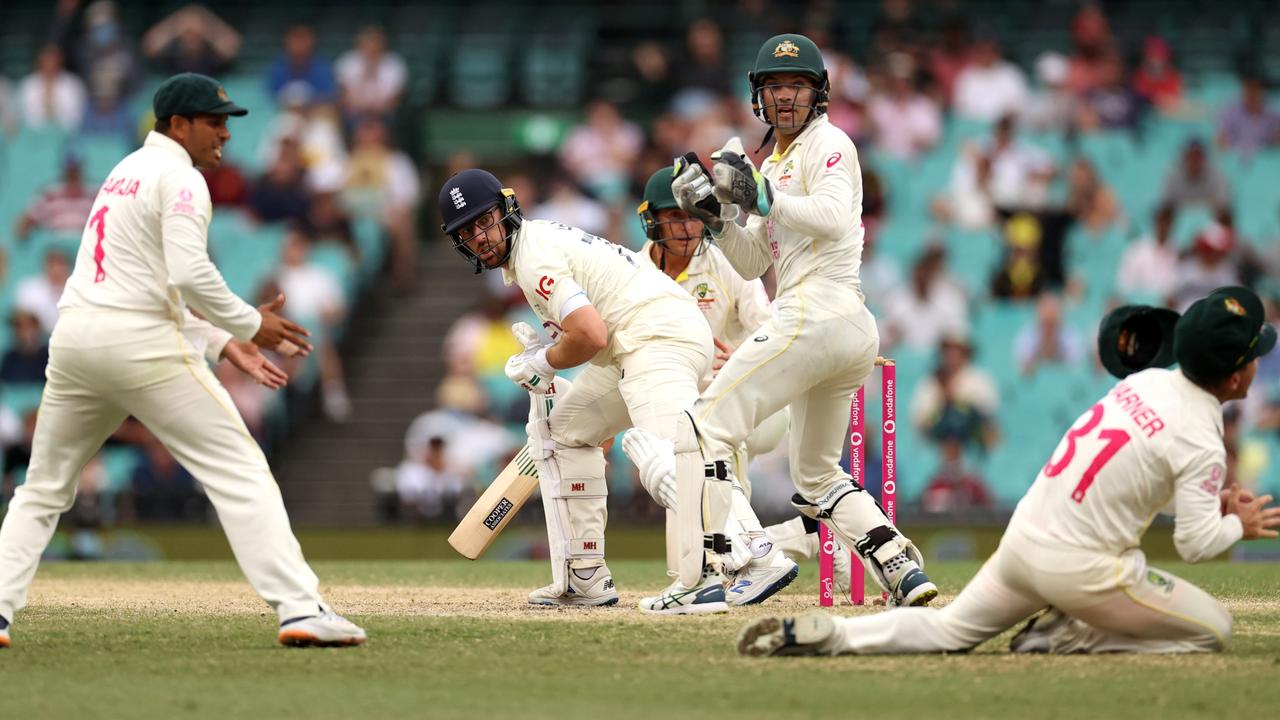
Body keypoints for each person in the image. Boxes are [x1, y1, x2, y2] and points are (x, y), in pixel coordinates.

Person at [0, 73, 365, 651]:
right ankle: (300, 608)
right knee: (240, 468)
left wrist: (222, 343)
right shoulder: (183, 179)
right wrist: (251, 323)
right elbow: (188, 275)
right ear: (177, 124)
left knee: (42, 488)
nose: (224, 133)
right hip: (139, 345)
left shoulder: (123, 172)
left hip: (75, 341)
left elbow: (144, 282)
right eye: (213, 121)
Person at [739, 287, 1280, 657]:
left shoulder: (1143, 384)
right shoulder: (1204, 436)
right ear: (1235, 376)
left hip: (1024, 541)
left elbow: (1142, 480)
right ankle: (1075, 635)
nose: (1259, 362)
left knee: (948, 631)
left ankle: (831, 637)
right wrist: (1239, 525)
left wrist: (1209, 506)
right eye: (1255, 355)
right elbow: (1195, 544)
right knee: (1214, 630)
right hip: (1082, 573)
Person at [629, 33, 938, 610]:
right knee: (817, 475)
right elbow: (755, 259)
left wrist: (762, 195)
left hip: (819, 311)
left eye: (796, 86)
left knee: (701, 428)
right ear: (759, 99)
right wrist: (716, 219)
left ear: (818, 94)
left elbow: (831, 216)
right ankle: (899, 566)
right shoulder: (773, 161)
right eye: (774, 87)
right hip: (837, 328)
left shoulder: (831, 144)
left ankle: (708, 576)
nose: (785, 97)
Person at [436, 168, 797, 614]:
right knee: (565, 431)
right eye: (468, 232)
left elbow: (590, 335)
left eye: (484, 221)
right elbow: (594, 334)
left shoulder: (533, 256)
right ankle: (584, 575)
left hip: (655, 337)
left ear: (507, 210)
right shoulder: (535, 246)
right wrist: (550, 359)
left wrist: (542, 362)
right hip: (634, 344)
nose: (481, 236)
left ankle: (756, 556)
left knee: (674, 452)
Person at [635, 167, 851, 597]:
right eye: (673, 217)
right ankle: (804, 535)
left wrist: (744, 357)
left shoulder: (725, 266)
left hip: (753, 405)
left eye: (692, 216)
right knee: (689, 556)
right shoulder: (633, 274)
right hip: (688, 412)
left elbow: (772, 328)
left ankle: (750, 559)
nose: (685, 228)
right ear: (651, 220)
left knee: (709, 446)